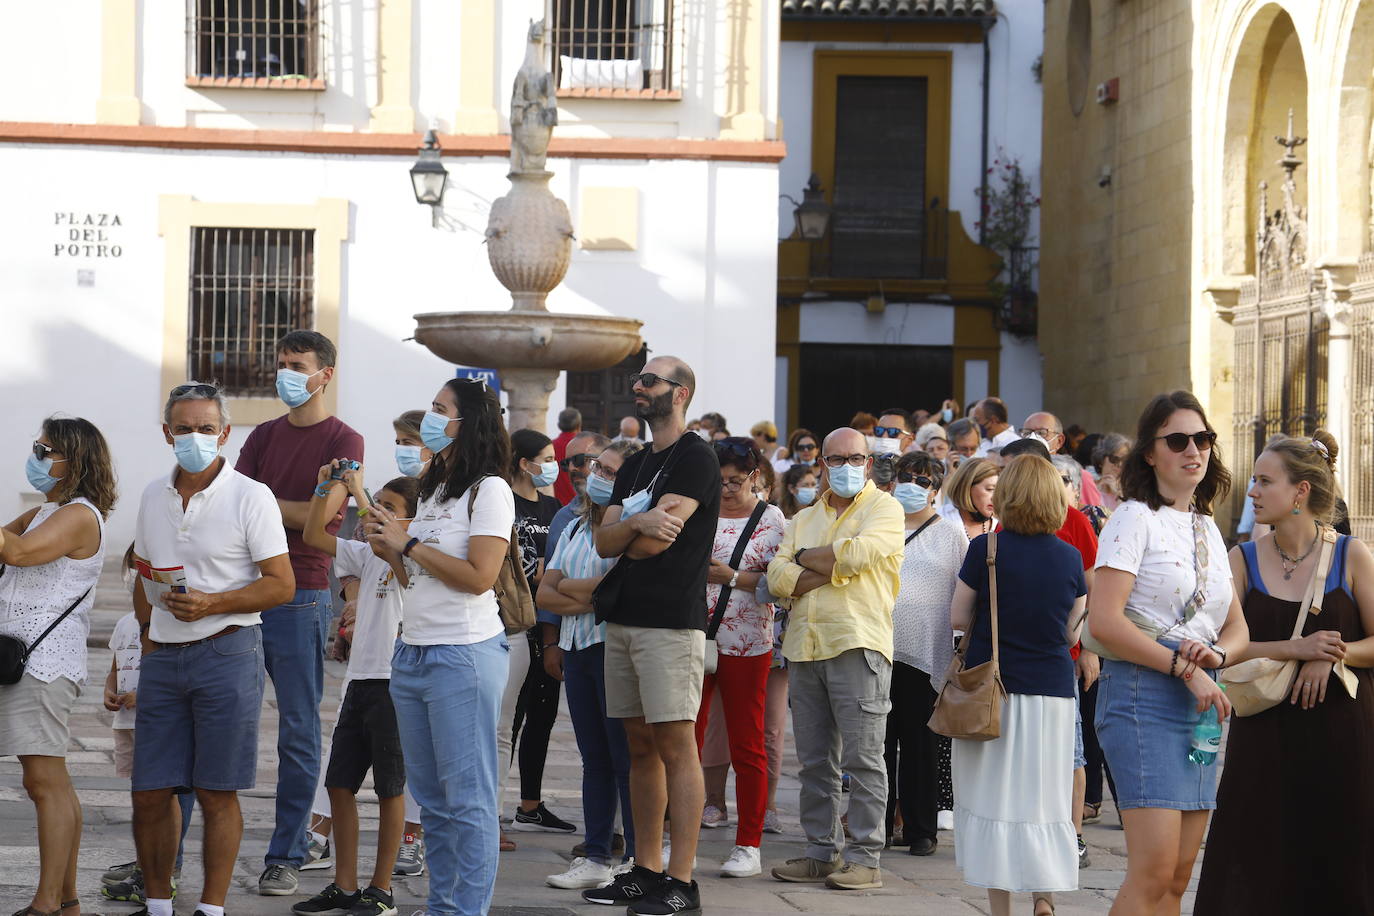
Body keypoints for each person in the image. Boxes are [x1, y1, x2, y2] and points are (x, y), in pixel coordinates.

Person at [130, 382, 295, 916]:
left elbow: (281, 584)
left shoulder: (252, 496)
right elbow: (143, 573)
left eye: (205, 428)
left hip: (227, 652)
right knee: (151, 791)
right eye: (184, 428)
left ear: (224, 433)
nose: (195, 437)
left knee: (216, 790)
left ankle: (212, 907)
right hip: (163, 656)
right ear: (166, 433)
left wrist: (215, 603)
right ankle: (157, 903)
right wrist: (146, 640)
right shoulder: (153, 495)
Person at [1195, 432, 1374, 913]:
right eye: (1253, 480)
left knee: (1337, 856)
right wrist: (1297, 648)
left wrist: (1333, 654)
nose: (1251, 491)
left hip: (1340, 737)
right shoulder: (1242, 560)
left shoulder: (1352, 555)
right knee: (1255, 853)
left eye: (1263, 481)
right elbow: (1221, 648)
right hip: (1263, 737)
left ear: (1300, 492)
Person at [1086, 391, 1249, 916]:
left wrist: (1215, 659)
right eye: (1177, 440)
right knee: (1152, 871)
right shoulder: (1133, 518)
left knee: (1178, 877)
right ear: (1150, 454)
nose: (1193, 450)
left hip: (1200, 704)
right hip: (1141, 696)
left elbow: (1236, 627)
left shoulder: (1205, 526)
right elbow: (1104, 622)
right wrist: (1184, 667)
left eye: (1202, 439)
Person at [362, 377, 512, 916]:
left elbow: (479, 576)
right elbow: (415, 576)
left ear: (466, 422)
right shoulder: (432, 485)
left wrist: (410, 543)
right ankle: (442, 906)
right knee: (436, 803)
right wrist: (390, 548)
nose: (429, 416)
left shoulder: (488, 489)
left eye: (439, 409)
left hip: (462, 655)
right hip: (414, 650)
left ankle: (463, 910)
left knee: (468, 801)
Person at [582, 356, 719, 916]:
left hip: (670, 621)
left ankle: (682, 881)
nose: (637, 387)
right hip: (625, 618)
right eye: (638, 380)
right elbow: (603, 540)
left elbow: (658, 543)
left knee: (675, 747)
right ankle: (645, 868)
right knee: (638, 748)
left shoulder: (696, 457)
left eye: (649, 380)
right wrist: (635, 523)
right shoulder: (638, 463)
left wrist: (629, 530)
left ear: (679, 393)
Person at [234, 330, 364, 896]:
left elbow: (324, 513)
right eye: (281, 363)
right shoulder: (262, 435)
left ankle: (287, 851)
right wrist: (279, 504)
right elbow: (230, 503)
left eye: (297, 365)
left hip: (302, 591)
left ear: (324, 374)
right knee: (220, 719)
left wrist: (264, 501)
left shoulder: (345, 439)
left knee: (297, 728)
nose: (285, 372)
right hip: (242, 589)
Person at [766, 427, 904, 891]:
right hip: (805, 646)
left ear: (869, 462)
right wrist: (823, 566)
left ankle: (865, 857)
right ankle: (821, 852)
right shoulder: (804, 517)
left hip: (857, 643)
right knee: (814, 763)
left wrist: (805, 560)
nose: (846, 466)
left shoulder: (884, 508)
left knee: (865, 761)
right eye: (836, 459)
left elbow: (861, 554)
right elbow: (777, 577)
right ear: (821, 462)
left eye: (856, 458)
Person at [950, 455, 1087, 916]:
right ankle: (1044, 899)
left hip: (994, 690)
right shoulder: (1070, 557)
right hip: (1052, 694)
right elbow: (1073, 630)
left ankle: (1002, 909)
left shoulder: (986, 549)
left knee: (993, 797)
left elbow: (956, 615)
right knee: (1044, 797)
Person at [2, 417, 115, 916]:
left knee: (44, 781)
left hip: (42, 664)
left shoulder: (79, 515)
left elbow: (21, 554)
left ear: (75, 458)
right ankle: (66, 897)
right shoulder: (47, 510)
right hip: (29, 661)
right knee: (47, 779)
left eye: (45, 449)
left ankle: (47, 902)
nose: (37, 457)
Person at [294, 467, 419, 916]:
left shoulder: (411, 558)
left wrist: (362, 491)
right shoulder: (364, 553)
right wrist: (329, 485)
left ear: (411, 522)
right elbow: (313, 532)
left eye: (391, 508)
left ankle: (381, 889)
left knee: (389, 788)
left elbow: (404, 570)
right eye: (377, 504)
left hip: (394, 682)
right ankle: (343, 885)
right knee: (340, 784)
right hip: (359, 681)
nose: (378, 513)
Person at [538, 440, 643, 890]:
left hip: (612, 649)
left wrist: (578, 592)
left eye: (610, 470)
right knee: (593, 756)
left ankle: (639, 857)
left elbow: (621, 589)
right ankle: (596, 853)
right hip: (578, 647)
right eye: (597, 466)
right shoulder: (577, 524)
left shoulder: (632, 532)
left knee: (627, 757)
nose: (596, 474)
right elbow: (544, 592)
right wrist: (591, 596)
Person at [694, 438, 786, 878]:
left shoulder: (772, 520)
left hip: (748, 640)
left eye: (736, 480)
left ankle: (749, 842)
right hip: (692, 635)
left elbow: (779, 583)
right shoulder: (697, 508)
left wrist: (732, 576)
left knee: (748, 742)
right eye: (720, 480)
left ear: (755, 476)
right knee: (685, 737)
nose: (727, 489)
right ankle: (680, 836)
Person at [100, 549, 197, 906]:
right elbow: (115, 666)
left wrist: (145, 694)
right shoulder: (127, 622)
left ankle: (164, 871)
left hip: (156, 721)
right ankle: (145, 866)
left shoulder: (169, 623)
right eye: (133, 572)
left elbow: (167, 674)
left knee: (164, 794)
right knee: (142, 798)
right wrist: (110, 690)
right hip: (126, 724)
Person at [884, 451, 966, 857]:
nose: (913, 487)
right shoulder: (879, 524)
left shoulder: (951, 535)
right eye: (906, 478)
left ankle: (921, 830)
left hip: (924, 653)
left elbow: (966, 591)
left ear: (936, 490)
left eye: (923, 481)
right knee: (876, 744)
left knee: (920, 744)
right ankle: (877, 827)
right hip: (876, 647)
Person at [504, 429, 575, 834]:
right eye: (546, 458)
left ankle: (530, 804)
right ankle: (494, 805)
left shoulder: (554, 508)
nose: (553, 466)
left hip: (544, 625)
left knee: (542, 715)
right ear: (523, 463)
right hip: (510, 622)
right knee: (507, 720)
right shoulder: (502, 501)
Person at [940, 457, 999, 541]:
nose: (996, 497)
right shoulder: (941, 519)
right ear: (967, 487)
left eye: (999, 491)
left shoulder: (1001, 525)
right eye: (989, 489)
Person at [551, 407, 582, 505]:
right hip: (581, 501)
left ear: (559, 425)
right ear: (579, 425)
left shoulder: (551, 446)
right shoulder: (585, 446)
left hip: (558, 502)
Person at [1092, 433, 1131, 510]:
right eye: (1114, 459)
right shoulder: (1089, 487)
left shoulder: (1131, 492)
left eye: (1124, 460)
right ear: (1101, 460)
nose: (1119, 464)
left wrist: (1118, 495)